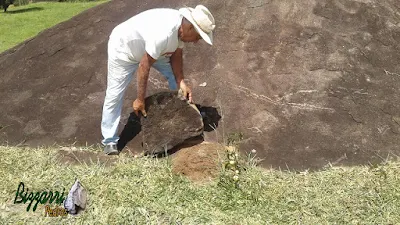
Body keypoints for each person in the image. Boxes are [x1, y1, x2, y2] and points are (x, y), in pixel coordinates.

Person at [101, 5, 216, 155]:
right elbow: (144, 65)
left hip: (154, 50)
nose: (196, 41)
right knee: (114, 94)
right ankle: (109, 141)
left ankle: (183, 119)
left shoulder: (181, 29)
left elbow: (176, 55)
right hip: (124, 49)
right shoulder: (164, 32)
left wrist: (182, 81)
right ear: (189, 28)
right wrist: (140, 99)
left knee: (178, 86)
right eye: (198, 36)